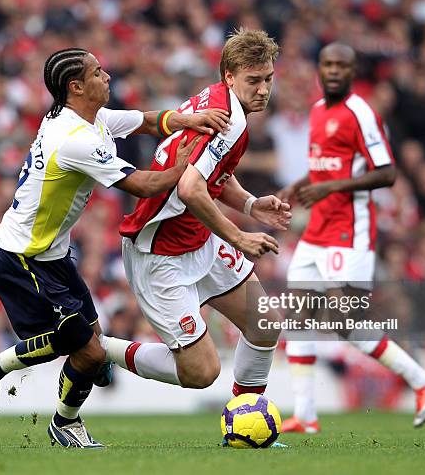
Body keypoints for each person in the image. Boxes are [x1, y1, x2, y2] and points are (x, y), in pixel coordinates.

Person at [0, 48, 230, 448]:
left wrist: (190, 119)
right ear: (76, 86)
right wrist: (187, 167)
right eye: (97, 72)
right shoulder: (73, 140)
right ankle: (5, 379)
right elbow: (143, 184)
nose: (107, 76)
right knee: (81, 345)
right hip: (22, 257)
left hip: (53, 255)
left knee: (90, 349)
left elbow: (148, 121)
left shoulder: (89, 118)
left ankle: (32, 400)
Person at [103, 29, 290, 442]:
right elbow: (190, 188)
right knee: (202, 373)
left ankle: (243, 424)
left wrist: (248, 204)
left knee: (263, 325)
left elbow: (210, 172)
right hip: (161, 254)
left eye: (268, 79)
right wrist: (239, 236)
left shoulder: (217, 100)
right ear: (229, 76)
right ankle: (101, 349)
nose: (263, 90)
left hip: (198, 240)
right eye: (253, 80)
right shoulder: (232, 119)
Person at [277, 43, 425, 434]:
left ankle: (424, 381)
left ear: (352, 72)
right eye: (327, 64)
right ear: (320, 69)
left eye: (341, 65)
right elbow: (325, 166)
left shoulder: (361, 114)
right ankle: (306, 415)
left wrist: (330, 187)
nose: (333, 71)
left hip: (348, 233)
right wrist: (298, 185)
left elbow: (386, 173)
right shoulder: (318, 111)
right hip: (318, 229)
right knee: (299, 315)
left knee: (345, 321)